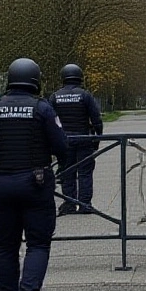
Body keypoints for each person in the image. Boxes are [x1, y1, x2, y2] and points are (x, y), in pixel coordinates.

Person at [0, 58, 69, 291]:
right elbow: (62, 146)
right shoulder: (42, 108)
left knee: (5, 248)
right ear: (35, 80)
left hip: (2, 183)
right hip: (36, 183)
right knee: (38, 244)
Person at [49, 63, 104, 215]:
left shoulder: (55, 97)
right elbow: (96, 120)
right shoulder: (85, 95)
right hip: (83, 139)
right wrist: (97, 140)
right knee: (85, 173)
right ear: (80, 77)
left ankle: (69, 203)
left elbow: (51, 121)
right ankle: (85, 204)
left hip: (64, 140)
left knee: (67, 173)